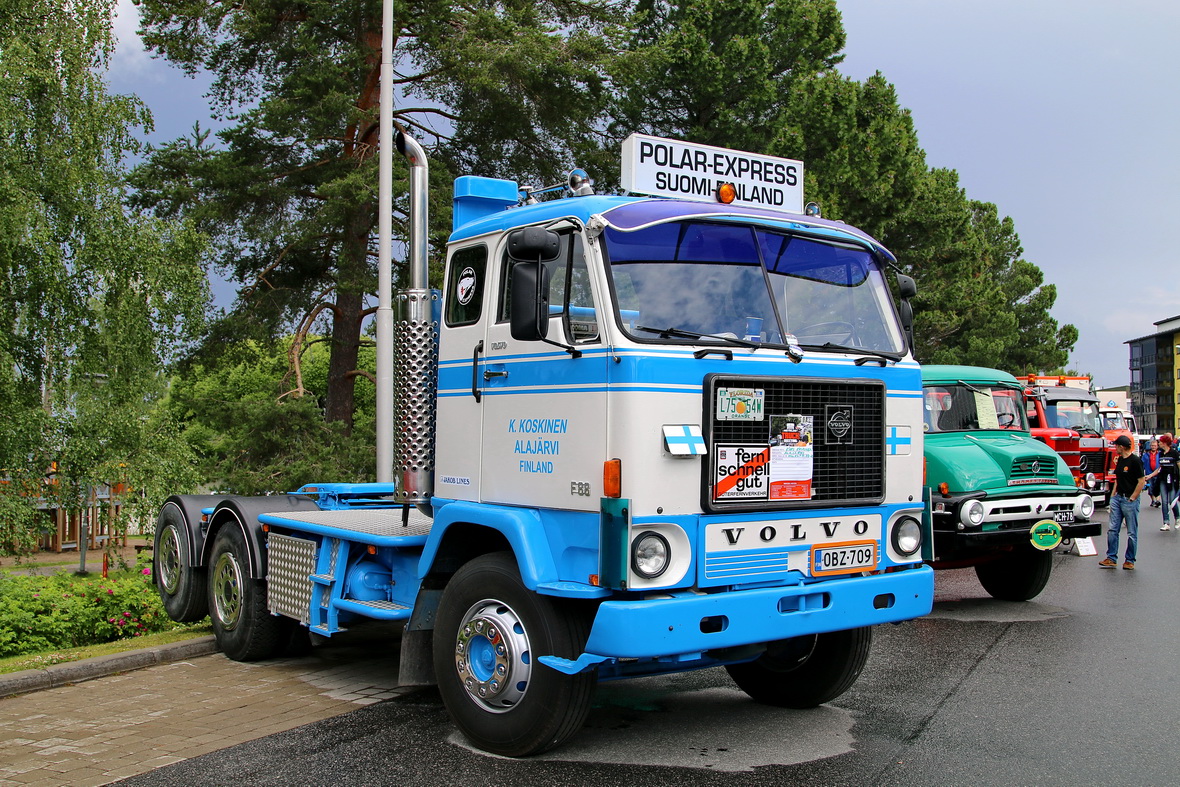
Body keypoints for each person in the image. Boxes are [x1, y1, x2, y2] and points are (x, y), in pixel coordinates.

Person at [1100, 434, 1144, 569]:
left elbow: (1141, 481)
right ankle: (1111, 557)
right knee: (1113, 529)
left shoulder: (1135, 461)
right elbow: (1117, 479)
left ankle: (1130, 560)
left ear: (1122, 447)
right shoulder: (1119, 460)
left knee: (1131, 532)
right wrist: (1113, 496)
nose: (1115, 448)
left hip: (1129, 499)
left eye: (1117, 445)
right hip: (1118, 498)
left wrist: (1133, 497)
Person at [1156, 434, 1180, 529]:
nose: (1159, 443)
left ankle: (1177, 518)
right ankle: (1166, 522)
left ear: (1165, 443)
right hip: (1163, 479)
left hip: (1172, 479)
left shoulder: (1174, 453)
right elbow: (1159, 468)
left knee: (1172, 500)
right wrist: (1149, 476)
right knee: (1164, 501)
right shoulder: (1161, 453)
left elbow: (1179, 465)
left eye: (1160, 442)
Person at [1142, 437, 1162, 508]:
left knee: (1158, 487)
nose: (1153, 447)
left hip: (1158, 473)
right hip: (1149, 473)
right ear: (1150, 446)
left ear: (1157, 446)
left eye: (1155, 446)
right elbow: (1142, 464)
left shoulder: (1160, 454)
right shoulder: (1146, 455)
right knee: (1151, 488)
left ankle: (1157, 501)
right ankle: (1153, 500)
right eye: (1152, 446)